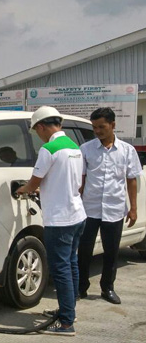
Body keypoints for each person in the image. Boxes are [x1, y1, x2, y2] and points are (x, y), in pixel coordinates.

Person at [16, 106, 86, 337]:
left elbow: (34, 183)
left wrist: (21, 190)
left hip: (60, 220)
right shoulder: (75, 147)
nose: (38, 135)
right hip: (77, 215)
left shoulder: (49, 149)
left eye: (37, 130)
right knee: (71, 263)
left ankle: (66, 323)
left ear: (42, 126)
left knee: (61, 269)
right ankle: (69, 311)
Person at [78, 107, 141, 305]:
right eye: (95, 127)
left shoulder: (127, 151)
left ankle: (108, 288)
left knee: (111, 252)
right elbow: (81, 179)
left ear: (113, 125)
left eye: (102, 127)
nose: (97, 131)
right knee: (84, 251)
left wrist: (133, 208)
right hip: (89, 209)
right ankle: (81, 288)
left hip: (114, 209)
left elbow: (131, 180)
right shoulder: (86, 149)